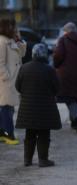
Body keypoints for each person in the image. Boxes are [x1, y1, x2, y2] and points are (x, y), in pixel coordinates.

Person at [15, 43, 61, 167]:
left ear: (33, 54)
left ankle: (27, 160)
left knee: (29, 134)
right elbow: (56, 88)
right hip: (45, 109)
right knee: (44, 134)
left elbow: (17, 87)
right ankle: (43, 160)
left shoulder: (24, 68)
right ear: (45, 54)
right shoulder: (49, 69)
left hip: (27, 109)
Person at [0, 17, 26, 145]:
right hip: (6, 81)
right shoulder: (1, 41)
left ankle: (2, 132)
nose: (14, 29)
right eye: (12, 26)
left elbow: (22, 54)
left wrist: (19, 40)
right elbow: (0, 63)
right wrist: (7, 77)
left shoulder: (10, 40)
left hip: (14, 80)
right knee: (6, 107)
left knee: (8, 107)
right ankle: (9, 135)